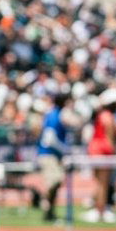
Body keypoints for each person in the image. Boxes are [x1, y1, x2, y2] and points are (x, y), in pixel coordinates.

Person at [36, 91, 69, 222]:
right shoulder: (54, 116)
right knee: (54, 181)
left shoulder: (55, 114)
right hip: (48, 154)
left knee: (56, 182)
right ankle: (44, 204)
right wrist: (64, 149)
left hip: (52, 154)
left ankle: (49, 210)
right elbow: (49, 139)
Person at [84, 95, 116, 223]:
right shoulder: (108, 116)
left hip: (94, 149)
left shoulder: (100, 115)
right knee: (103, 182)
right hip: (102, 151)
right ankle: (100, 210)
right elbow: (109, 138)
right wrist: (113, 151)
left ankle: (97, 208)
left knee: (98, 181)